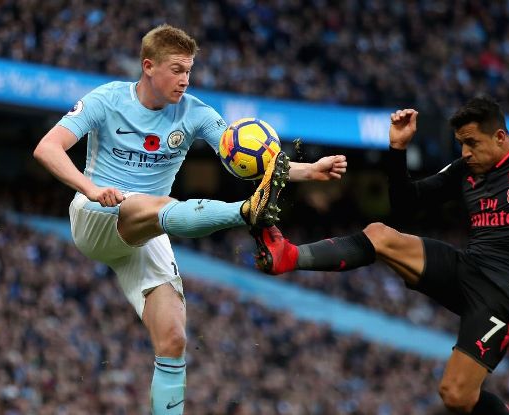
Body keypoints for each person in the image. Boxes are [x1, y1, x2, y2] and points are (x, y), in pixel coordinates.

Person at [32, 24, 347, 415]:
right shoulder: (107, 99)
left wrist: (309, 170)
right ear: (148, 66)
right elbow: (48, 148)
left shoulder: (195, 112)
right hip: (95, 215)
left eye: (189, 71)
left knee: (173, 340)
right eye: (177, 70)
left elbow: (243, 157)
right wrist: (92, 189)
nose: (185, 80)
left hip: (150, 228)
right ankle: (245, 212)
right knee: (156, 202)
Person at [252, 96, 509, 414]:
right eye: (460, 144)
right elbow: (404, 202)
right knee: (380, 235)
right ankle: (288, 256)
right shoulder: (466, 169)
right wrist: (398, 150)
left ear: (499, 137)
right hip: (468, 268)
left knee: (456, 396)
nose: (465, 153)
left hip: (502, 292)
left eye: (471, 143)